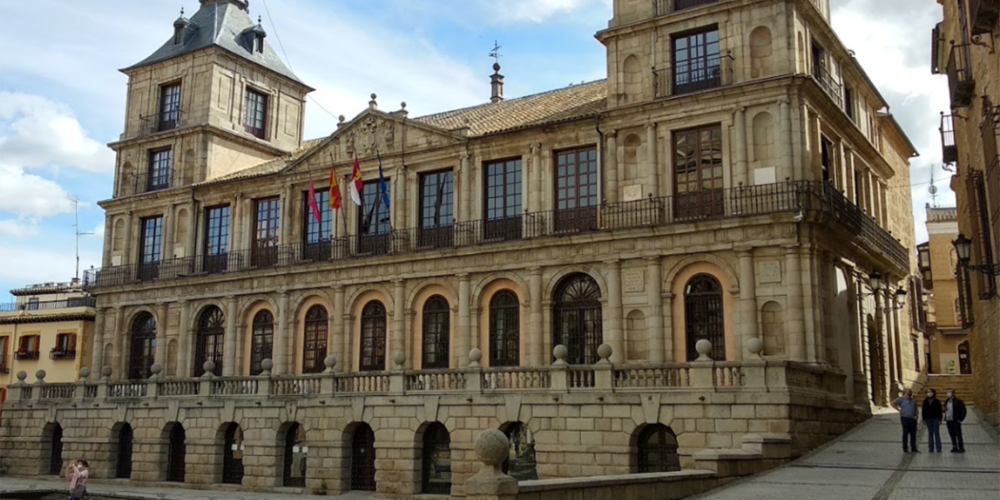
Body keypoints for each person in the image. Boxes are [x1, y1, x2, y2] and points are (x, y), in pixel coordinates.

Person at [891, 388, 919, 453]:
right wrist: (899, 410)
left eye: (910, 391)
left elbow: (916, 409)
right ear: (905, 392)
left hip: (913, 419)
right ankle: (905, 448)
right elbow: (892, 403)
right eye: (909, 391)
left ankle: (913, 447)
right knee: (905, 433)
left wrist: (917, 416)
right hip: (905, 418)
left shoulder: (913, 400)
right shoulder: (901, 399)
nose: (910, 393)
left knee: (913, 434)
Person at [944, 388, 968, 453]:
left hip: (956, 420)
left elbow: (963, 410)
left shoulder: (958, 401)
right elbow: (945, 409)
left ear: (953, 393)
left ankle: (961, 447)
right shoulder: (947, 401)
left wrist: (960, 419)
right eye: (947, 392)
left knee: (958, 434)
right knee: (952, 434)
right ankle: (954, 446)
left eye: (950, 392)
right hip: (949, 420)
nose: (948, 393)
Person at [921, 388, 943, 452]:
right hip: (928, 419)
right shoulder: (925, 401)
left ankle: (938, 447)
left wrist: (940, 418)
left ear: (933, 393)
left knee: (936, 433)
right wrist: (924, 418)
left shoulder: (937, 401)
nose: (929, 393)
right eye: (928, 392)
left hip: (935, 418)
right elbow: (923, 410)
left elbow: (940, 410)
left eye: (931, 392)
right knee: (930, 433)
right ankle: (931, 447)